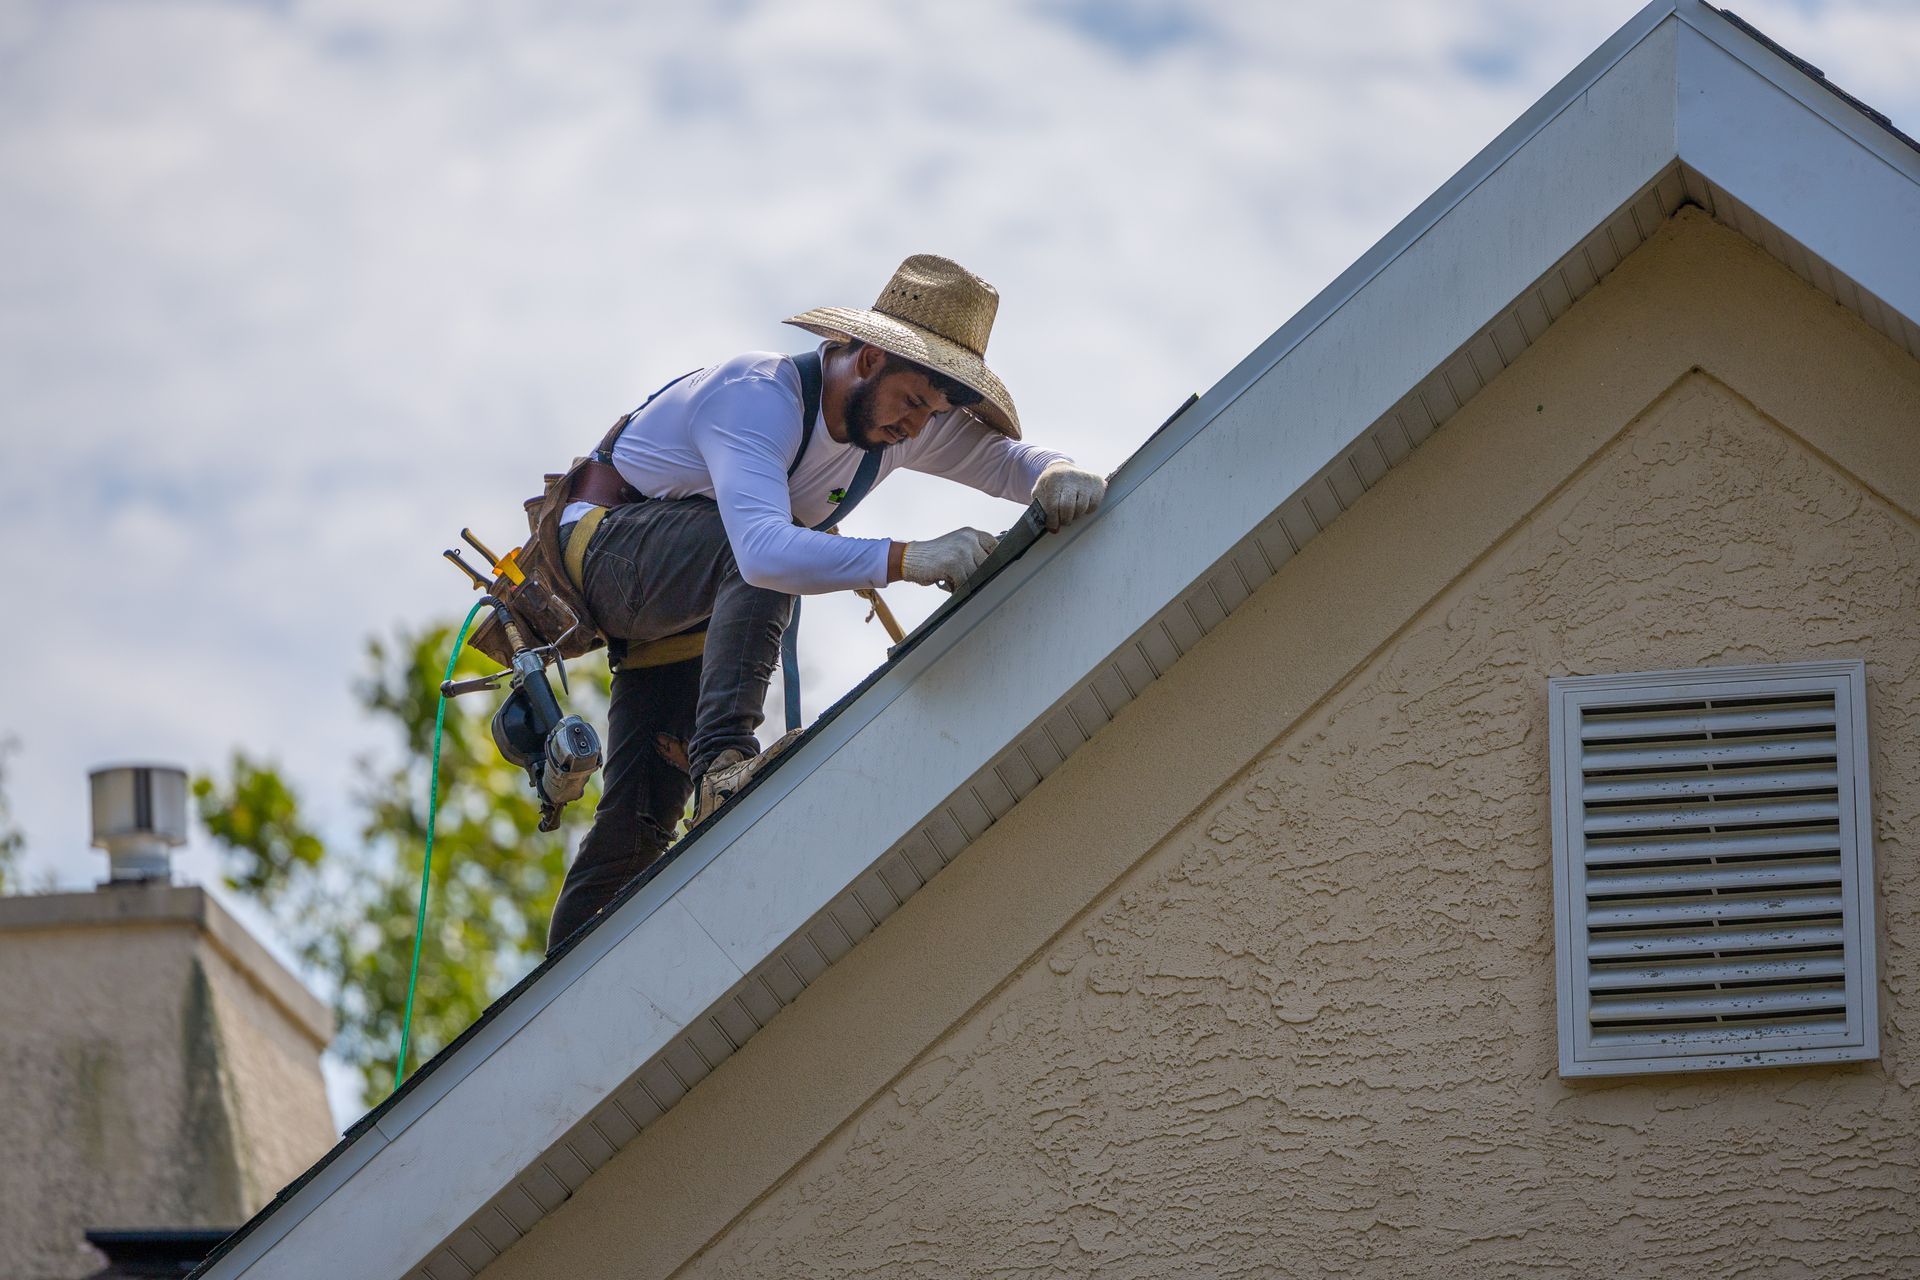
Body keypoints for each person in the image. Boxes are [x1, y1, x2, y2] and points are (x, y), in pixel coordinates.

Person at [546, 255, 1106, 951]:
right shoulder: (758, 395)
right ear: (868, 359)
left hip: (693, 601)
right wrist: (908, 558)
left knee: (641, 821)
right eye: (912, 403)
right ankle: (723, 766)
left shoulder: (901, 425)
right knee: (772, 546)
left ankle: (565, 984)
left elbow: (1001, 460)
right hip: (610, 553)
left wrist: (1055, 472)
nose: (916, 426)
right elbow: (758, 552)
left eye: (933, 414)